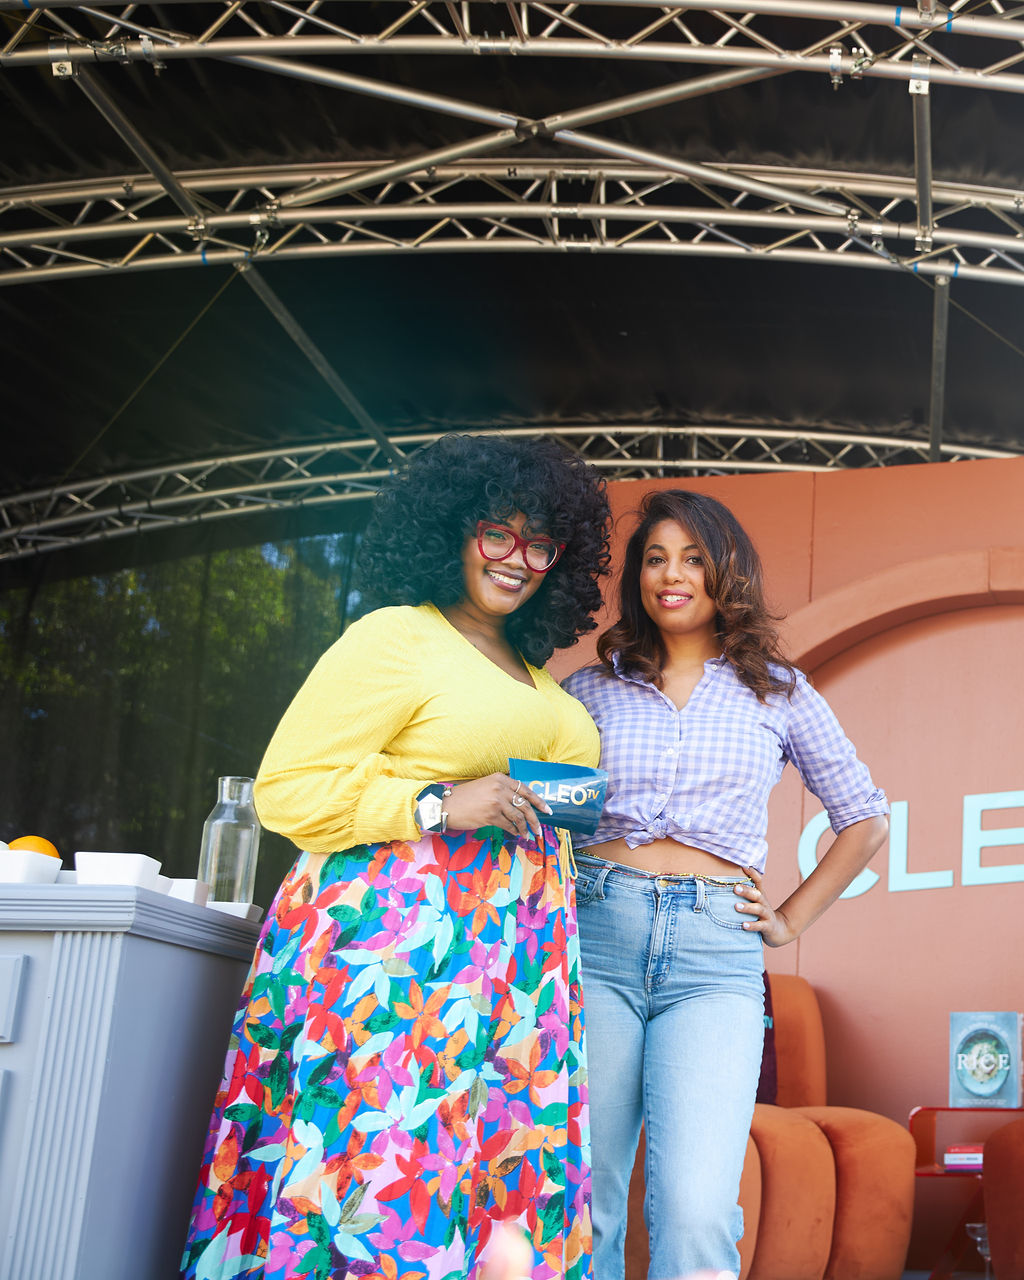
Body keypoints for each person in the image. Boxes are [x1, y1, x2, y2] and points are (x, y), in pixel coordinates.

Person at [181, 434, 611, 1280]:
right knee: (381, 1173)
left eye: (540, 545)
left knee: (491, 1186)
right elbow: (287, 789)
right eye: (498, 533)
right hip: (398, 952)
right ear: (453, 530)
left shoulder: (539, 676)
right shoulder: (396, 638)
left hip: (514, 971)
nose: (516, 560)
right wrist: (437, 804)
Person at [561, 489, 889, 1280]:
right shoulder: (589, 690)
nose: (671, 575)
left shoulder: (779, 691)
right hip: (595, 938)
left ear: (726, 571)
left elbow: (866, 819)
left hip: (715, 959)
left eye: (692, 558)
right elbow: (549, 817)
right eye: (655, 559)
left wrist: (789, 920)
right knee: (582, 1197)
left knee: (698, 1207)